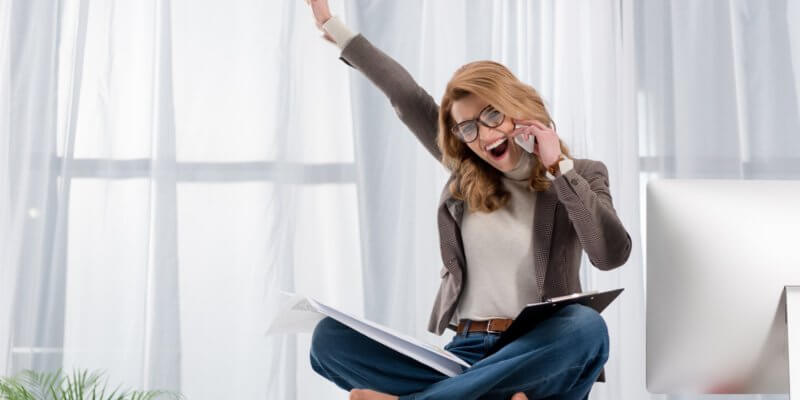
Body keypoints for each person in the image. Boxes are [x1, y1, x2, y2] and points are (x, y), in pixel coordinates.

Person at [302, 1, 633, 399]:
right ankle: (475, 393)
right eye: (469, 127)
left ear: (520, 110)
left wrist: (558, 167)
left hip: (537, 352)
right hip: (465, 354)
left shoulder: (581, 173)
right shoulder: (465, 171)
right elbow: (406, 97)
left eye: (493, 115)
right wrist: (333, 26)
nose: (483, 134)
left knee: (586, 327)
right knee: (328, 341)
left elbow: (610, 255)